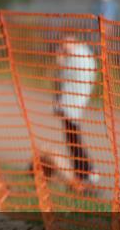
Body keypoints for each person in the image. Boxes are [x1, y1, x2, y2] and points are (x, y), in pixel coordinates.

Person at [32, 35, 100, 191]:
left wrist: (61, 60)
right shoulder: (79, 56)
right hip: (72, 102)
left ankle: (88, 173)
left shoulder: (78, 56)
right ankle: (83, 173)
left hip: (72, 103)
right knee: (72, 137)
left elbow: (62, 81)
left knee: (73, 138)